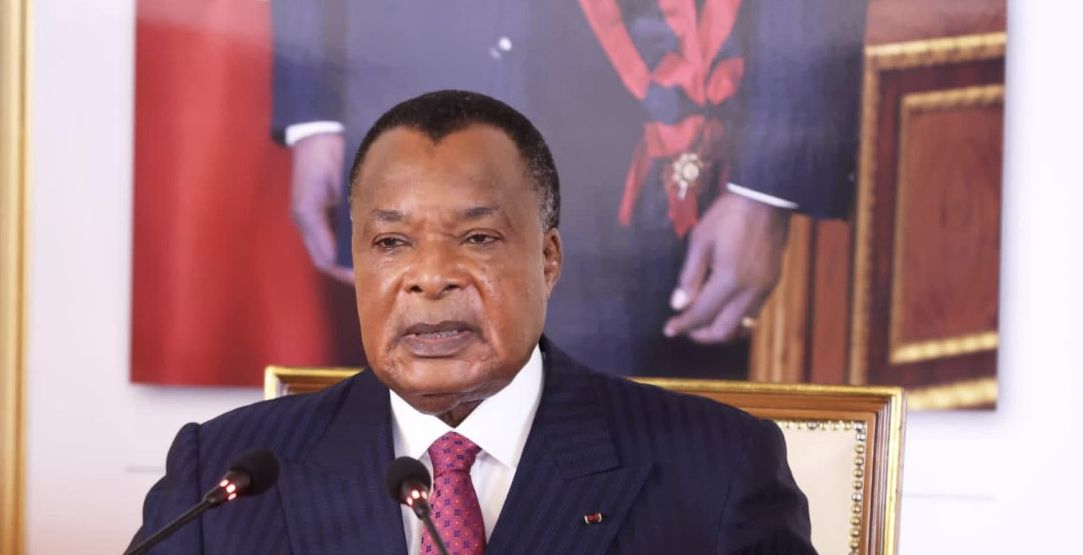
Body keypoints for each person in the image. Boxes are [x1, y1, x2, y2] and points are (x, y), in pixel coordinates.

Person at [2, 91, 960, 555]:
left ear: (548, 258)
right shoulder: (237, 471)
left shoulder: (705, 467)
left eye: (476, 237)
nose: (430, 276)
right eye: (391, 241)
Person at [271, 0, 868, 378]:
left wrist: (767, 184)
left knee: (641, 476)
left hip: (631, 137)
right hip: (396, 84)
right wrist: (313, 114)